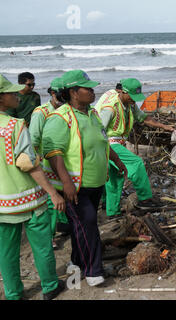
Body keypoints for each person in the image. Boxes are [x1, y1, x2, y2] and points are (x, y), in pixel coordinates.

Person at [41, 70, 127, 287]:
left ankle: (77, 262)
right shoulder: (60, 118)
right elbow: (53, 153)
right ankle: (93, 271)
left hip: (95, 183)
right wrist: (67, 183)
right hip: (74, 186)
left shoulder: (93, 114)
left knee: (83, 226)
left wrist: (117, 160)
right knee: (88, 226)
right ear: (73, 92)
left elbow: (103, 142)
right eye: (87, 88)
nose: (92, 91)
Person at [0, 74, 66, 300]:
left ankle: (13, 294)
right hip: (28, 200)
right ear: (1, 99)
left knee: (6, 253)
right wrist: (52, 192)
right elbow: (29, 165)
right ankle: (49, 287)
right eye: (11, 92)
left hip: (2, 205)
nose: (17, 94)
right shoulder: (15, 126)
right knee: (42, 246)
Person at [95, 78, 173, 218]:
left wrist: (163, 126)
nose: (134, 100)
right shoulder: (110, 108)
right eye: (132, 96)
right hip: (109, 144)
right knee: (136, 163)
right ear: (122, 92)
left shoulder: (130, 104)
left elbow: (143, 118)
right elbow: (98, 131)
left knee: (115, 179)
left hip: (117, 143)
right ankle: (145, 199)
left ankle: (112, 212)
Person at [29, 77, 68, 247]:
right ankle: (50, 236)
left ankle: (62, 225)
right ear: (53, 94)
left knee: (62, 196)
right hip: (46, 162)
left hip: (64, 160)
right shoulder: (41, 112)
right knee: (52, 201)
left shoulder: (67, 109)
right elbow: (34, 140)